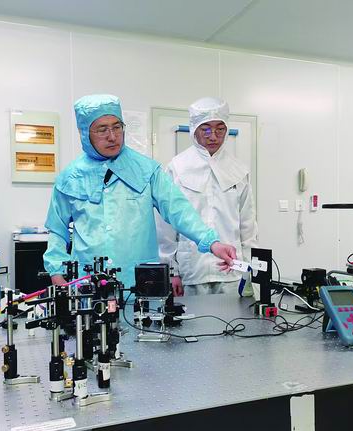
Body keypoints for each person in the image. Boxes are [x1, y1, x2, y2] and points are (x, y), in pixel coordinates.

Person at [43, 94, 237, 289]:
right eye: (102, 130)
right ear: (85, 133)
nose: (112, 136)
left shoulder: (147, 170)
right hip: (88, 284)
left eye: (117, 127)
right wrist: (56, 272)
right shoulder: (69, 178)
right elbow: (57, 230)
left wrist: (212, 243)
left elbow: (179, 210)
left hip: (139, 283)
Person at [158, 97, 258, 296]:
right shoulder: (177, 168)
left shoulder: (238, 171)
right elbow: (165, 225)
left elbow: (248, 226)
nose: (213, 136)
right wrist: (171, 270)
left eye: (220, 129)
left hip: (232, 271)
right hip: (191, 271)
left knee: (236, 316)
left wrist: (251, 269)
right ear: (194, 129)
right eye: (206, 129)